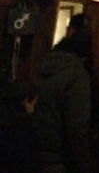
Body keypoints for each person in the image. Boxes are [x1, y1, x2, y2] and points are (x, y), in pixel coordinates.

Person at [34, 27, 92, 173]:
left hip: (35, 146)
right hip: (61, 154)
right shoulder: (76, 76)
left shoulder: (45, 67)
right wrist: (84, 163)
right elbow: (77, 124)